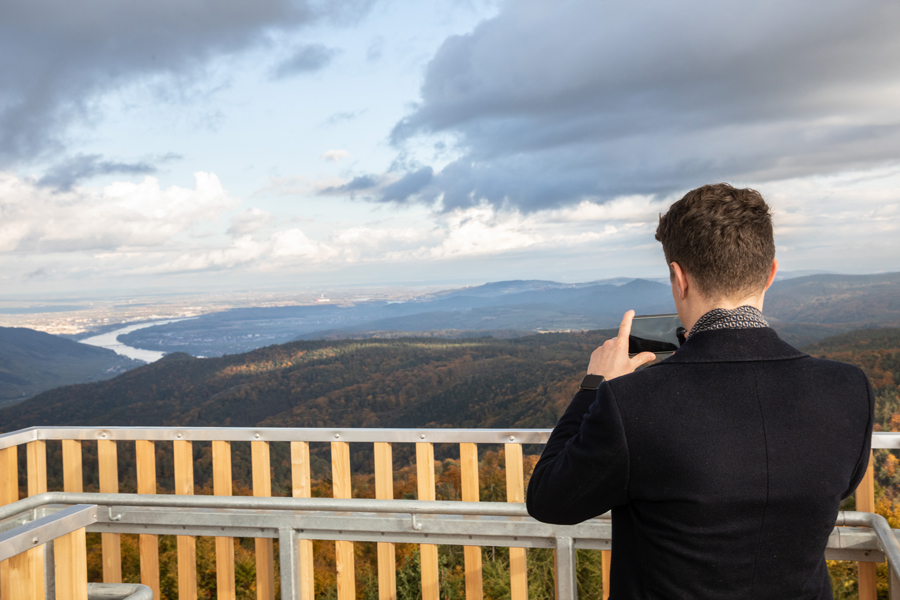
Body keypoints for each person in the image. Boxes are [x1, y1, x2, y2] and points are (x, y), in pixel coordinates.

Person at [526, 183, 874, 599]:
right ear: (770, 272)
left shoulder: (632, 403)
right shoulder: (849, 389)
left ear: (679, 278)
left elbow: (550, 501)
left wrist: (594, 386)